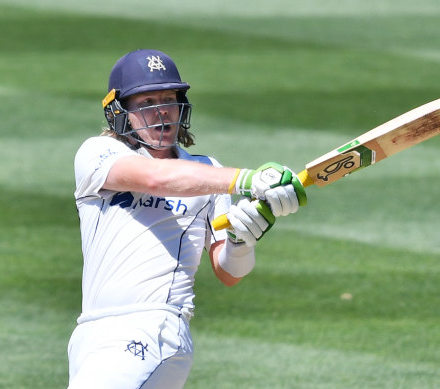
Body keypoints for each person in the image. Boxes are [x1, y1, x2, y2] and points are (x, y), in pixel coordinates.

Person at [67, 49, 307, 389]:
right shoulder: (97, 154)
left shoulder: (209, 172)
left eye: (169, 98)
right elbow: (156, 178)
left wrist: (241, 241)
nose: (161, 110)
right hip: (90, 332)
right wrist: (246, 179)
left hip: (154, 328)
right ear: (120, 112)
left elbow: (229, 273)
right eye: (147, 101)